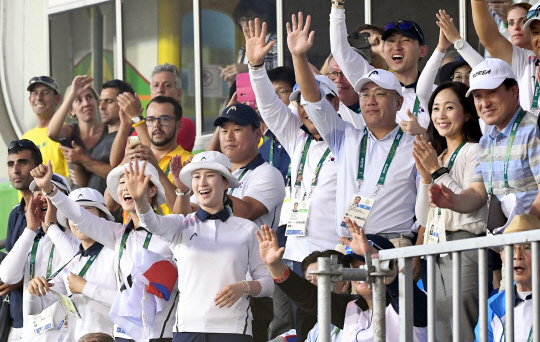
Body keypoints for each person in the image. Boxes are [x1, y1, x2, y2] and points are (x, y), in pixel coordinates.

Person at [286, 13, 419, 249]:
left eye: (380, 94)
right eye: (365, 94)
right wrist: (299, 57)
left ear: (398, 103)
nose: (370, 101)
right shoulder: (345, 136)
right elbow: (314, 101)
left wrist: (417, 255)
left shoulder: (415, 145)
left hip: (394, 247)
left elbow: (426, 208)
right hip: (347, 246)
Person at [130, 152, 274, 342]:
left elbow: (268, 284)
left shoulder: (247, 229)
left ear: (225, 183)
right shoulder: (180, 224)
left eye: (210, 175)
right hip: (187, 329)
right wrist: (140, 201)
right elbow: (152, 223)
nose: (202, 182)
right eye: (196, 177)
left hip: (234, 329)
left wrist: (244, 286)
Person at [42, 159, 177, 342]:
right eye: (122, 182)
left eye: (133, 181)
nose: (127, 187)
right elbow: (81, 218)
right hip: (122, 335)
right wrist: (50, 190)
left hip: (159, 335)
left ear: (153, 190)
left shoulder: (170, 231)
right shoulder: (118, 234)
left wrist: (87, 288)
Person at [257, 219, 428, 342]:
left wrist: (374, 255)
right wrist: (274, 265)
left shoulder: (412, 300)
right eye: (354, 267)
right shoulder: (349, 309)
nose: (361, 272)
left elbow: (398, 285)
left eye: (367, 264)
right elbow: (306, 294)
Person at [413, 82, 485, 341]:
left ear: (466, 113)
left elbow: (469, 203)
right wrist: (425, 178)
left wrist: (437, 172)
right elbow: (423, 217)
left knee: (464, 322)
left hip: (464, 243)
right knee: (441, 324)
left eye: (449, 107)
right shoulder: (438, 156)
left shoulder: (475, 150)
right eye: (435, 108)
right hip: (436, 245)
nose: (440, 115)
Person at [429, 58, 540, 220]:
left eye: (492, 92)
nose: (485, 103)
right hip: (507, 241)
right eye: (478, 96)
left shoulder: (534, 130)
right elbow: (477, 193)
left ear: (514, 91)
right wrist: (453, 200)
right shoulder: (486, 141)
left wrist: (526, 231)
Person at [25, 188, 117, 341]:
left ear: (103, 217)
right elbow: (34, 308)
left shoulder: (117, 254)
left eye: (86, 212)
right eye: (72, 215)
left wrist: (86, 288)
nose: (79, 220)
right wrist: (32, 291)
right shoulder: (72, 263)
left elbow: (132, 301)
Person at [329, 0, 431, 136]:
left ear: (422, 51)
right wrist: (337, 5)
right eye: (390, 41)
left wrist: (425, 134)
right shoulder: (371, 80)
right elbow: (339, 50)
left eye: (406, 40)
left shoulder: (436, 93)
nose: (397, 46)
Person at [0, 172, 72, 342]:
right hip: (32, 335)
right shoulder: (32, 238)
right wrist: (30, 229)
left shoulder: (77, 237)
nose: (42, 197)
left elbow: (75, 264)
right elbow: (7, 276)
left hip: (67, 335)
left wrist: (52, 225)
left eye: (49, 191)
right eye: (38, 193)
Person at [113, 96, 193, 215]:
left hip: (169, 232)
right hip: (133, 232)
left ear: (179, 125)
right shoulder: (135, 157)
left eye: (164, 119)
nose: (156, 125)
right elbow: (110, 203)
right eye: (150, 120)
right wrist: (124, 163)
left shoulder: (190, 162)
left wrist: (157, 170)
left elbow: (183, 214)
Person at [474, 214, 538, 341]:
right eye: (512, 248)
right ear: (502, 257)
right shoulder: (493, 306)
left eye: (527, 247)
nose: (517, 255)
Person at [3, 140, 43, 341]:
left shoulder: (52, 209)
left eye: (23, 163)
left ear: (37, 168)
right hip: (15, 318)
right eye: (11, 164)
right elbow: (11, 262)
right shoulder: (14, 214)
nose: (16, 170)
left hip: (46, 318)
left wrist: (19, 278)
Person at [471, 0, 539, 113]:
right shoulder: (526, 60)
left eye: (522, 21)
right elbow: (490, 39)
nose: (516, 27)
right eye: (536, 32)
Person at [46, 75, 104, 187]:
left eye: (89, 97)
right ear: (71, 111)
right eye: (78, 100)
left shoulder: (109, 131)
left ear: (97, 102)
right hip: (78, 199)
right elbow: (51, 133)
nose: (86, 104)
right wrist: (72, 94)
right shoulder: (71, 131)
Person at [23, 76, 68, 179]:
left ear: (58, 99)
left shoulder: (65, 132)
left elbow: (73, 181)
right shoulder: (26, 137)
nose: (39, 97)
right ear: (30, 100)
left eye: (46, 93)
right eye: (35, 93)